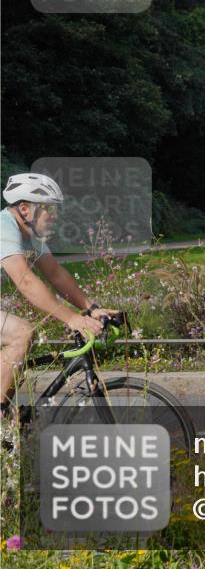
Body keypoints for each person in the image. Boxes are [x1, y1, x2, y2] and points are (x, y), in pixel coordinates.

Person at [1, 173, 117, 414]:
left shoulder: (29, 234)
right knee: (21, 333)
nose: (55, 215)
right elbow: (25, 280)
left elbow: (55, 274)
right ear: (25, 209)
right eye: (48, 209)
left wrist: (91, 308)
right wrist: (72, 318)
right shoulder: (4, 227)